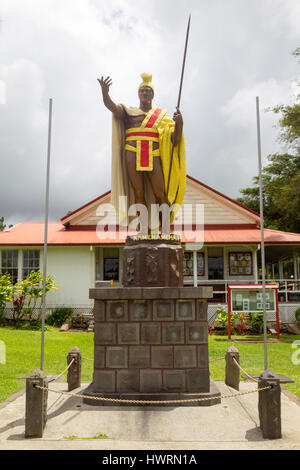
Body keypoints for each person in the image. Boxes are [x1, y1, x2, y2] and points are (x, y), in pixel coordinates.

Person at [98, 73, 186, 229]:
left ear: (152, 94)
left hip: (154, 154)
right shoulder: (129, 112)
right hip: (132, 152)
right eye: (142, 90)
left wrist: (179, 124)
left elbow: (175, 140)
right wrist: (105, 93)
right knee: (138, 193)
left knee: (161, 194)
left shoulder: (162, 116)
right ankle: (144, 231)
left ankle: (165, 230)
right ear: (138, 94)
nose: (145, 93)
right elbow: (112, 107)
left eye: (148, 91)